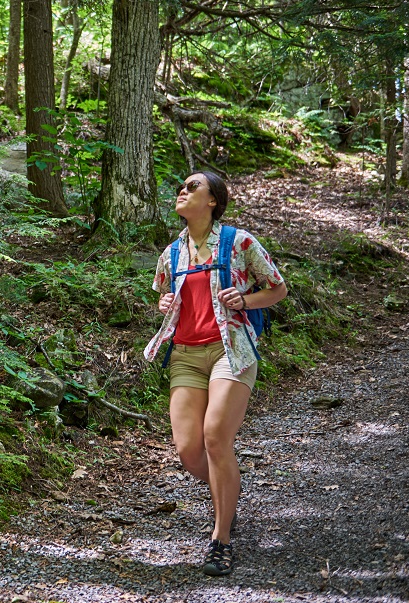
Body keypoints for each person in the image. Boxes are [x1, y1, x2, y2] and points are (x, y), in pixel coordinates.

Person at [144, 172, 287, 576]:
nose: (183, 191)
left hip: (231, 351)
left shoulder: (239, 242)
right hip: (185, 356)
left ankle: (221, 538)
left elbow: (277, 289)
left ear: (213, 201)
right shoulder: (172, 253)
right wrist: (166, 301)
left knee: (214, 437)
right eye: (181, 187)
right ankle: (228, 494)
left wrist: (245, 298)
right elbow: (162, 293)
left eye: (193, 187)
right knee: (189, 451)